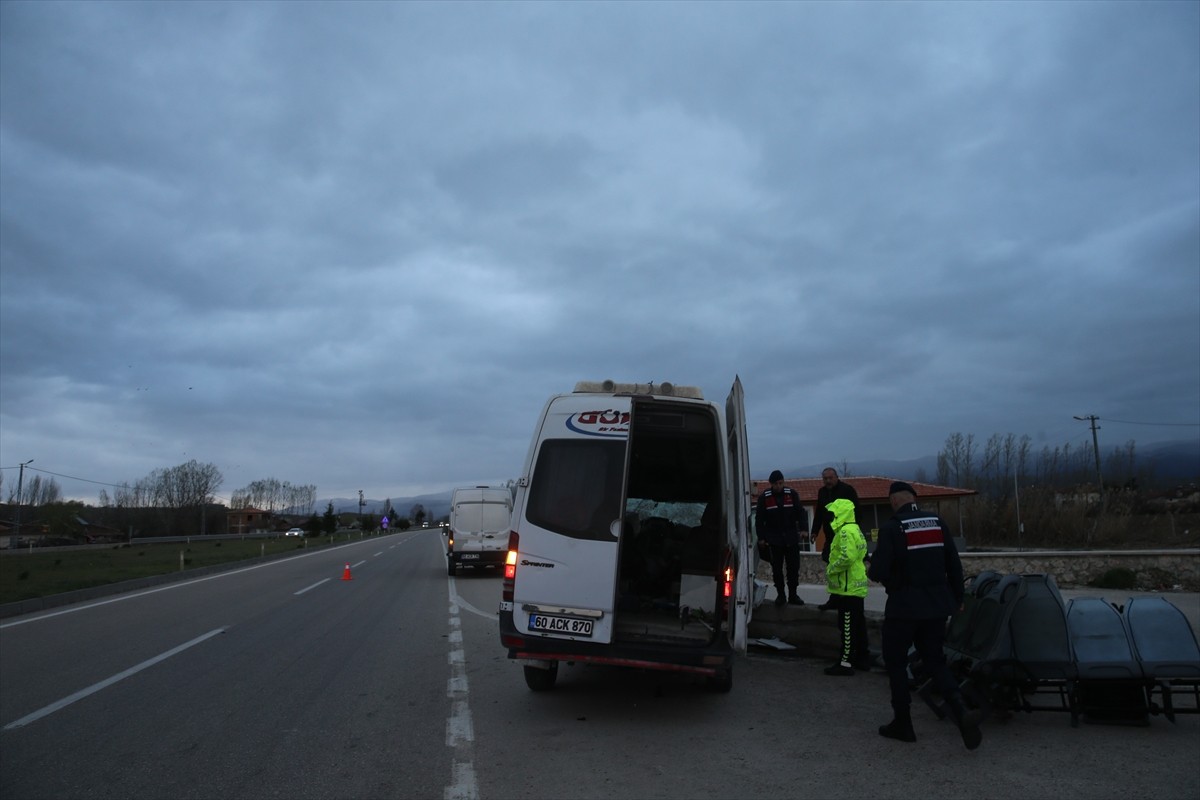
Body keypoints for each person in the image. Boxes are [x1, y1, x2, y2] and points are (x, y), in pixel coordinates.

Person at [867, 482, 983, 750]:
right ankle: (961, 710)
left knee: (896, 663)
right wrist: (958, 599)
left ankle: (903, 724)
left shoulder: (892, 528)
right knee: (935, 661)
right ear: (914, 499)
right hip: (936, 607)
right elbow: (954, 564)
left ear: (894, 501)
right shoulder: (937, 523)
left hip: (904, 608)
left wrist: (873, 566)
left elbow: (879, 572)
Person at [823, 498, 870, 676]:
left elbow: (847, 557)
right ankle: (862, 659)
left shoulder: (844, 532)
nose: (831, 517)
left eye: (834, 514)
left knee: (847, 627)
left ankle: (845, 663)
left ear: (841, 514)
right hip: (856, 586)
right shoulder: (855, 529)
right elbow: (862, 553)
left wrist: (831, 568)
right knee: (859, 625)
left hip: (848, 588)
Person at [755, 470, 807, 607]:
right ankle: (781, 595)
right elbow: (759, 520)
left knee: (793, 568)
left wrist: (803, 529)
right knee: (777, 569)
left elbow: (801, 512)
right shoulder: (765, 498)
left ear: (783, 482)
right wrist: (761, 538)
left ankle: (793, 595)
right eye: (776, 484)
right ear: (771, 484)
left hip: (791, 538)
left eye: (780, 483)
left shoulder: (791, 494)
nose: (778, 486)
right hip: (774, 539)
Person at [812, 468, 860, 611]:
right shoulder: (822, 492)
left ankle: (848, 599)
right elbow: (819, 513)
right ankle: (834, 599)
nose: (828, 481)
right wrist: (814, 531)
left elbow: (857, 512)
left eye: (830, 478)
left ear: (836, 477)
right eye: (825, 478)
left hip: (845, 537)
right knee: (832, 569)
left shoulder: (847, 490)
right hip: (830, 538)